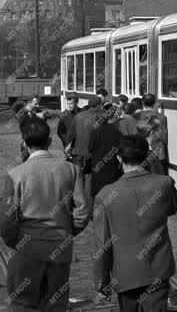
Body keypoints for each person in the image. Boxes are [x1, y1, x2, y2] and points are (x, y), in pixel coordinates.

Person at [0, 117, 90, 311]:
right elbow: (82, 212)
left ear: (23, 143)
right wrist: (67, 232)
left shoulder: (15, 175)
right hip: (60, 248)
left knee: (23, 304)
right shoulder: (71, 170)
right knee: (56, 303)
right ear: (50, 141)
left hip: (26, 250)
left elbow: (7, 220)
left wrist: (15, 242)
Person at [93, 134, 177, 310]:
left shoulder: (105, 195)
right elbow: (174, 208)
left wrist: (101, 283)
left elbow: (102, 244)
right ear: (146, 156)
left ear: (119, 158)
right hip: (158, 269)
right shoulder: (164, 184)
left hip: (125, 273)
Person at [70, 96, 104, 197]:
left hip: (77, 153)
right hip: (91, 153)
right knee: (89, 179)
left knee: (77, 179)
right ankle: (88, 204)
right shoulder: (99, 116)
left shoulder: (78, 116)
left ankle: (78, 202)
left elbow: (71, 135)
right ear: (98, 105)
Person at [88, 115, 123, 207]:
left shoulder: (95, 132)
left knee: (98, 188)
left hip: (98, 163)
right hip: (112, 163)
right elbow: (120, 147)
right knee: (111, 187)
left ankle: (97, 209)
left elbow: (90, 148)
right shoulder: (116, 131)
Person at [140, 93, 169, 175]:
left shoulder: (137, 116)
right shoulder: (162, 117)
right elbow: (164, 138)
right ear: (155, 103)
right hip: (158, 152)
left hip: (141, 153)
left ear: (143, 103)